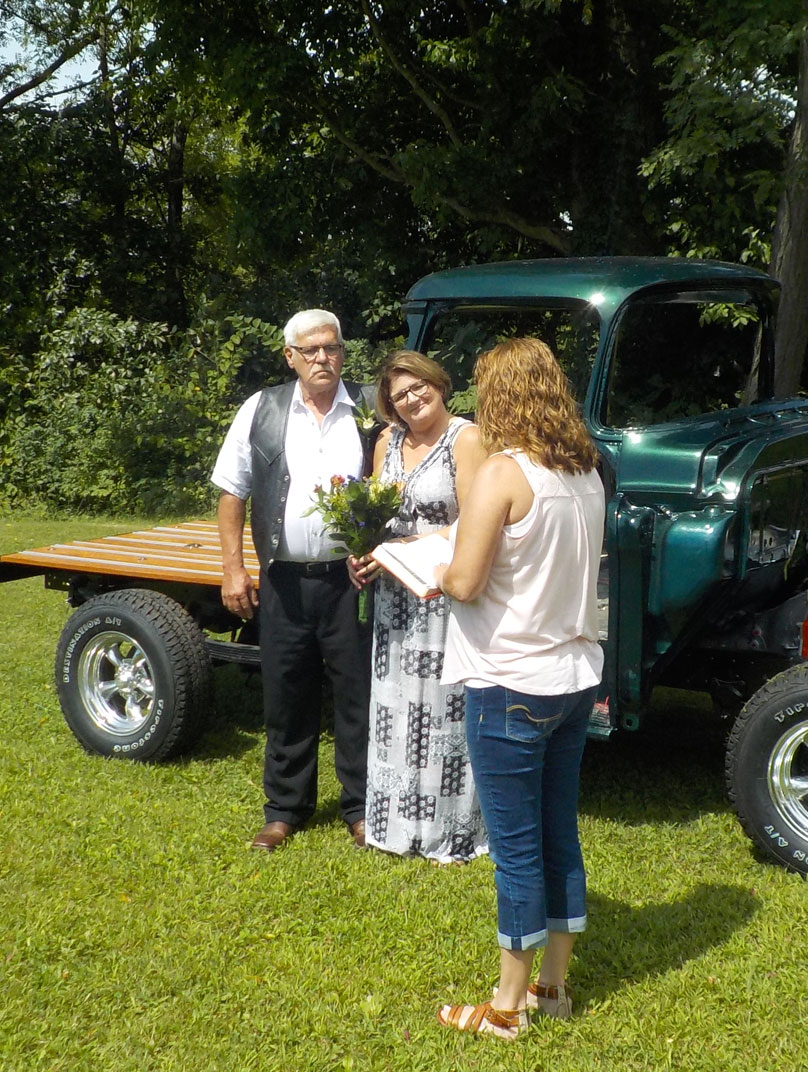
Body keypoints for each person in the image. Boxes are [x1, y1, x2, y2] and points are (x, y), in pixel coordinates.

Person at [430, 337, 606, 1039]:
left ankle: (506, 1009)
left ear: (497, 396)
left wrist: (435, 566)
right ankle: (554, 989)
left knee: (516, 849)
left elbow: (465, 582)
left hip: (508, 681)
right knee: (559, 834)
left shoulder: (504, 472)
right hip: (569, 679)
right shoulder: (587, 472)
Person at [210, 309, 375, 853]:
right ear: (290, 357)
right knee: (285, 694)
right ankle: (283, 810)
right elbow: (232, 491)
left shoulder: (372, 410)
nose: (322, 358)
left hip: (351, 583)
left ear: (343, 352)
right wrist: (234, 568)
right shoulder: (262, 409)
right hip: (282, 581)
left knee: (357, 696)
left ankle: (360, 807)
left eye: (331, 347)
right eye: (310, 350)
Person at [347, 351, 489, 863]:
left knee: (441, 714)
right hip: (392, 598)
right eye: (400, 395)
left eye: (418, 387)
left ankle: (448, 832)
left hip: (440, 594)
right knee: (394, 709)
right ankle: (393, 825)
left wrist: (409, 549)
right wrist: (360, 551)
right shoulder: (387, 442)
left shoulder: (466, 440)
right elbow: (373, 517)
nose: (412, 400)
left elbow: (476, 523)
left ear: (438, 383)